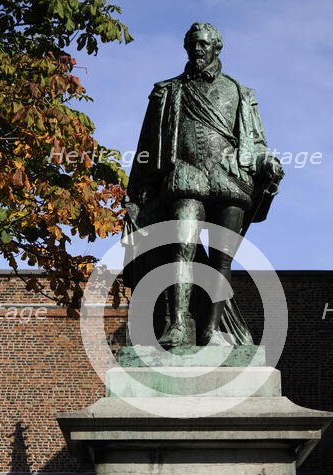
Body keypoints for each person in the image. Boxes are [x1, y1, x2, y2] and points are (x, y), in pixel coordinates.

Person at [123, 22, 284, 347]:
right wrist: (136, 192)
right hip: (187, 176)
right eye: (193, 44)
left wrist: (269, 162)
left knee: (222, 258)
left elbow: (256, 143)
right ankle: (179, 324)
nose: (198, 49)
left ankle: (211, 330)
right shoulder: (167, 91)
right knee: (180, 247)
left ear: (216, 48)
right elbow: (145, 149)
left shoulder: (240, 92)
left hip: (230, 181)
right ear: (186, 47)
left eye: (203, 44)